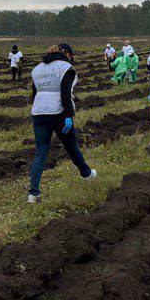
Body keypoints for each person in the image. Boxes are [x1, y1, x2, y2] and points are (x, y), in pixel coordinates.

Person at [28, 42, 96, 203]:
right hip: (59, 113)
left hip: (39, 113)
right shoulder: (66, 68)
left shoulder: (37, 69)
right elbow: (65, 94)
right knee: (71, 146)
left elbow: (34, 93)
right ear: (67, 54)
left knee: (41, 152)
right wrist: (68, 115)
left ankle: (33, 193)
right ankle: (87, 174)